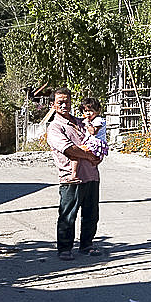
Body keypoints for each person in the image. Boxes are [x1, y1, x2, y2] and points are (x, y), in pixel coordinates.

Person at [46, 88, 103, 260]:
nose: (64, 105)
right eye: (60, 102)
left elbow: (97, 139)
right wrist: (88, 155)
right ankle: (65, 248)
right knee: (68, 215)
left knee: (91, 214)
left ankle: (87, 245)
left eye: (67, 101)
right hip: (71, 178)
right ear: (52, 105)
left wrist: (98, 154)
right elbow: (69, 149)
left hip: (92, 175)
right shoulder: (55, 127)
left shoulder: (81, 122)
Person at [68, 98, 109, 179]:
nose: (88, 113)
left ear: (98, 110)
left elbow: (93, 132)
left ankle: (73, 174)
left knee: (75, 153)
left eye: (90, 111)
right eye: (85, 111)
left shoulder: (98, 120)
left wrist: (87, 123)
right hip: (93, 143)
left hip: (95, 144)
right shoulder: (92, 120)